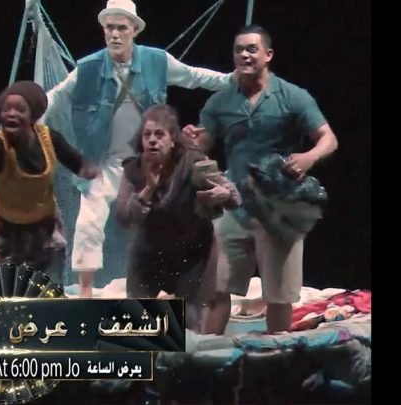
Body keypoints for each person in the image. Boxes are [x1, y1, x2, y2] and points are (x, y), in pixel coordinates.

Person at [44, 0, 235, 297]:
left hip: (149, 162)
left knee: (174, 217)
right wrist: (33, 115)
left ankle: (181, 284)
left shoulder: (157, 61)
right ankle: (85, 291)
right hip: (105, 162)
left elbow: (194, 76)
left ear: (134, 29)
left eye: (121, 27)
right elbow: (55, 97)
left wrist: (231, 80)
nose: (114, 34)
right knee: (88, 223)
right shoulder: (88, 67)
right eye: (109, 27)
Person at [187, 25, 339, 333]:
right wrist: (189, 142)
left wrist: (309, 157)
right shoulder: (220, 102)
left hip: (278, 206)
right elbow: (201, 147)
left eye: (251, 49)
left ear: (268, 55)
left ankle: (277, 353)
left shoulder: (292, 96)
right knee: (216, 289)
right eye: (238, 49)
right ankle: (206, 351)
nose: (244, 55)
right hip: (233, 203)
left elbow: (328, 138)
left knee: (278, 296)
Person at [116, 104, 240, 330]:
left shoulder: (193, 162)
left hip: (191, 254)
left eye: (159, 134)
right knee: (136, 320)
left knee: (189, 322)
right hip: (149, 252)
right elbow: (123, 217)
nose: (152, 140)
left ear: (173, 139)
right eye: (147, 135)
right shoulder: (133, 169)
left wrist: (224, 194)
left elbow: (234, 198)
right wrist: (147, 190)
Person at [0, 81, 99, 284]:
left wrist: (89, 170)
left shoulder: (48, 137)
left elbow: (75, 161)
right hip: (7, 231)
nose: (11, 114)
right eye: (6, 109)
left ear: (33, 115)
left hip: (44, 228)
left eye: (19, 109)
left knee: (48, 288)